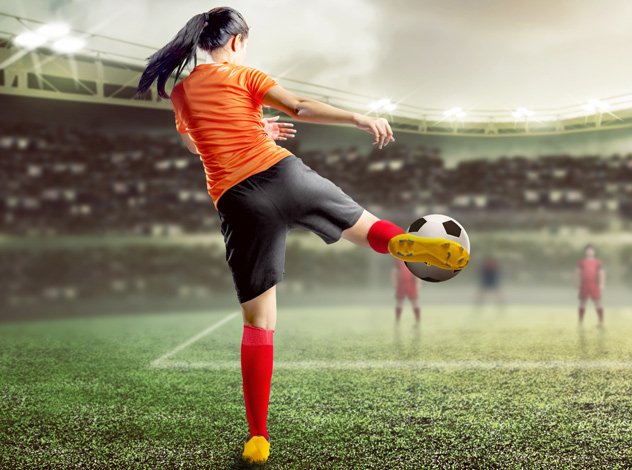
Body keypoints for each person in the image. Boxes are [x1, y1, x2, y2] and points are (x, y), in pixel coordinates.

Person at [137, 7, 468, 465]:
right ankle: (399, 244)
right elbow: (300, 108)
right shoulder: (244, 74)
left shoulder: (181, 91)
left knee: (259, 325)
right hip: (283, 171)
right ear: (236, 42)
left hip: (238, 200)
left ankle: (258, 437)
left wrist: (251, 127)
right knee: (366, 225)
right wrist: (356, 117)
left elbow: (196, 142)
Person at [577, 244, 605, 326]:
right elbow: (578, 273)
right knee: (582, 302)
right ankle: (580, 320)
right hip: (584, 284)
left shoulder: (598, 262)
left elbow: (601, 273)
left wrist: (602, 283)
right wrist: (578, 283)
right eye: (588, 250)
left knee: (598, 302)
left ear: (594, 251)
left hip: (594, 284)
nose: (589, 252)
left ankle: (601, 321)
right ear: (585, 252)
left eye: (591, 250)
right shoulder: (581, 262)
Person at [392, 259, 421, 324]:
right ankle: (397, 321)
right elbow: (395, 271)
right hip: (401, 282)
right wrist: (395, 282)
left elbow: (417, 271)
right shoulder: (398, 258)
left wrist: (418, 283)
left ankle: (417, 321)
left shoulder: (413, 258)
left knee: (414, 302)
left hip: (411, 283)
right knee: (399, 302)